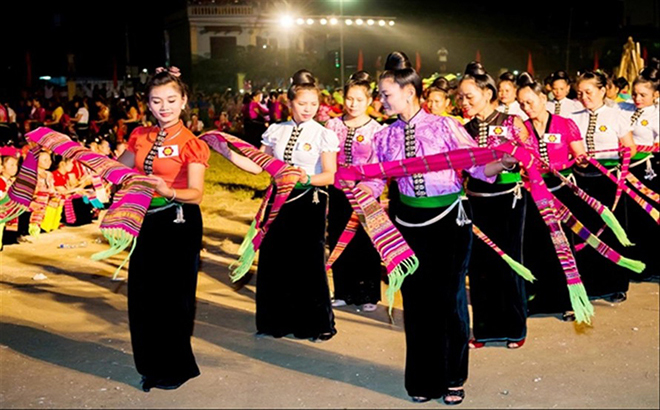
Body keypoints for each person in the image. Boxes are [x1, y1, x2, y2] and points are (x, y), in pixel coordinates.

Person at [358, 52, 517, 404]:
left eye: (386, 94)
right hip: (406, 226)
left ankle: (453, 376)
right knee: (415, 303)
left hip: (448, 225)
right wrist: (356, 189)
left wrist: (502, 162)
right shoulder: (384, 138)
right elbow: (374, 181)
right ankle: (423, 381)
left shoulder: (445, 126)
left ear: (409, 93)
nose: (380, 101)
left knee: (448, 301)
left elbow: (477, 168)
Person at [116, 66, 211, 392]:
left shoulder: (191, 143)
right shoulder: (139, 135)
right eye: (157, 101)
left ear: (184, 100)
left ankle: (175, 368)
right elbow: (119, 169)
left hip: (179, 222)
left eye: (171, 100)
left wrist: (168, 190)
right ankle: (150, 365)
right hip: (145, 221)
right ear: (148, 104)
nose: (164, 107)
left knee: (174, 298)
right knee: (143, 296)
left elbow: (196, 194)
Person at [255, 69, 339, 342]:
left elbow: (330, 174)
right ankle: (276, 321)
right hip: (279, 201)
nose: (308, 109)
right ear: (289, 103)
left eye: (313, 104)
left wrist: (306, 177)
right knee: (274, 259)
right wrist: (226, 149)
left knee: (308, 262)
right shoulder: (276, 130)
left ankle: (315, 324)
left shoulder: (322, 134)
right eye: (302, 104)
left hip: (309, 201)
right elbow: (261, 165)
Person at [457, 61, 530, 351]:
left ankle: (514, 327)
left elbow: (530, 158)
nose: (464, 102)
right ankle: (484, 330)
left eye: (469, 96)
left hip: (509, 201)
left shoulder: (512, 123)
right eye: (460, 97)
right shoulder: (462, 130)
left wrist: (517, 160)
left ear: (488, 93)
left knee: (509, 263)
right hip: (476, 203)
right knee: (480, 267)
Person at [515, 72, 588, 322]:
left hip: (561, 191)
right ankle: (540, 299)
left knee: (564, 246)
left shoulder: (564, 124)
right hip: (533, 193)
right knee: (536, 246)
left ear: (542, 98)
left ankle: (568, 300)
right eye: (522, 103)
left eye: (530, 101)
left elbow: (579, 153)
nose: (527, 107)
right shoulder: (521, 130)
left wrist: (581, 159)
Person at [571, 70, 637, 303]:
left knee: (610, 230)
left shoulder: (615, 116)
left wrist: (616, 157)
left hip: (608, 182)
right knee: (584, 229)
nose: (584, 97)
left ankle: (614, 284)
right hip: (581, 181)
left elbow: (631, 148)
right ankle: (589, 282)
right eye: (580, 93)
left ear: (602, 91)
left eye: (589, 92)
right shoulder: (574, 117)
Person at [325, 71, 384, 312]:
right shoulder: (333, 124)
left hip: (366, 192)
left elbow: (378, 165)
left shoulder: (377, 130)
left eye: (359, 100)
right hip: (339, 191)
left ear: (369, 101)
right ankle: (342, 291)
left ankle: (368, 293)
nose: (353, 104)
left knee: (367, 242)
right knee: (339, 238)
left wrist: (364, 186)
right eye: (349, 98)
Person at [618, 58, 660, 280]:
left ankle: (653, 264)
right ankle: (634, 263)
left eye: (643, 95)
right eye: (634, 94)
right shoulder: (623, 109)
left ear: (655, 95)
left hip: (647, 172)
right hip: (623, 172)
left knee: (648, 218)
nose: (637, 99)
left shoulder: (656, 114)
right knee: (629, 219)